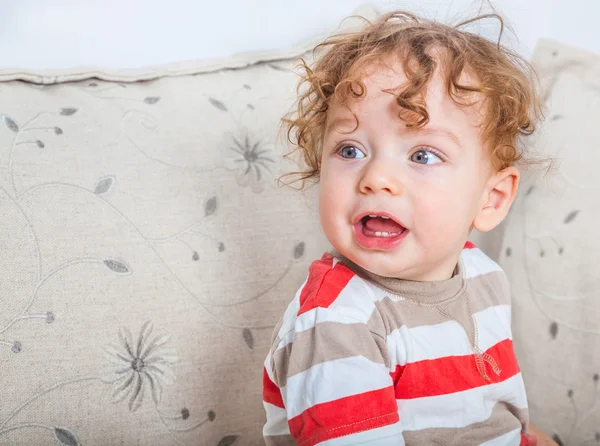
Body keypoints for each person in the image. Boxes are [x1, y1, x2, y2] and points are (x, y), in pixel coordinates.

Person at [262, 9, 555, 446]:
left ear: (490, 199)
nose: (376, 177)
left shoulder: (483, 276)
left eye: (422, 155)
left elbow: (494, 418)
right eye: (350, 148)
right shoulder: (337, 322)